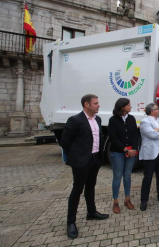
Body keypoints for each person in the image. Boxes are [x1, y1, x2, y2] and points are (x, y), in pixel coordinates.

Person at [60, 94, 109, 239]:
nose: (98, 105)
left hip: (95, 159)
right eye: (96, 103)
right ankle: (70, 223)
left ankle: (91, 212)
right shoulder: (75, 120)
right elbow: (65, 142)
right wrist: (76, 156)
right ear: (87, 104)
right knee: (77, 190)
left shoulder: (98, 119)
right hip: (81, 161)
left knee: (91, 186)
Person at [108, 98, 139, 214]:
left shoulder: (131, 119)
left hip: (131, 152)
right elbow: (113, 138)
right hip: (118, 153)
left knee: (127, 176)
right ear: (122, 107)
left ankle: (127, 200)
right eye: (128, 105)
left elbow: (136, 135)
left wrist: (134, 149)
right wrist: (125, 149)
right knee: (117, 177)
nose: (130, 106)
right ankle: (115, 202)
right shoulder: (113, 120)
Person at [139, 103, 159, 211]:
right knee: (147, 178)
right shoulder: (144, 122)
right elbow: (152, 135)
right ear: (152, 111)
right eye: (158, 109)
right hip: (150, 154)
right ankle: (144, 200)